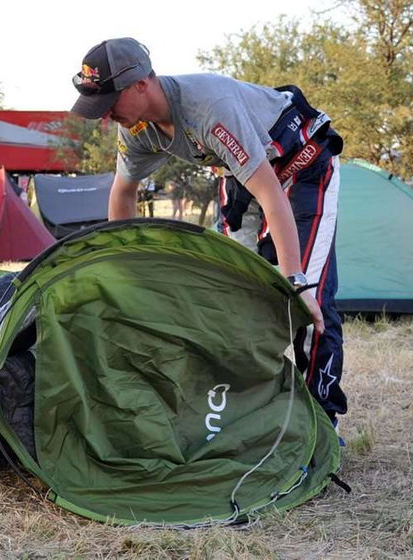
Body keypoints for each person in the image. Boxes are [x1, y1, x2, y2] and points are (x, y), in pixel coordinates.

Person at [70, 37, 347, 424]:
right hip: (244, 177)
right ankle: (251, 415)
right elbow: (123, 193)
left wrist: (295, 279)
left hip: (302, 165)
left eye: (109, 103)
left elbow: (271, 193)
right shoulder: (137, 128)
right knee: (234, 300)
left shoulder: (208, 108)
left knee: (307, 300)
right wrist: (124, 268)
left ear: (141, 84)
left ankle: (321, 423)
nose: (105, 116)